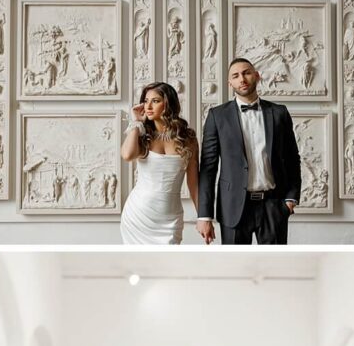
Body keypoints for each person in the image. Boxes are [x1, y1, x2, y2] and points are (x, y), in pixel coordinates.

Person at [197, 58, 301, 245]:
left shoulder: (279, 113)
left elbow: (292, 158)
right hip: (232, 206)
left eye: (246, 73)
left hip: (273, 205)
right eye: (235, 76)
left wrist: (291, 199)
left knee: (274, 267)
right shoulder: (217, 116)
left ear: (256, 76)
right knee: (235, 268)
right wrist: (204, 216)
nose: (242, 79)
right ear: (230, 83)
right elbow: (208, 168)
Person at [120, 82, 199, 244]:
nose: (148, 106)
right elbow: (127, 155)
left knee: (168, 267)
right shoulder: (142, 136)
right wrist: (136, 123)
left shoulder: (188, 139)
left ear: (168, 103)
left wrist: (203, 217)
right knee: (139, 268)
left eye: (155, 101)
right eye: (146, 101)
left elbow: (194, 184)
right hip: (139, 215)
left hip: (170, 218)